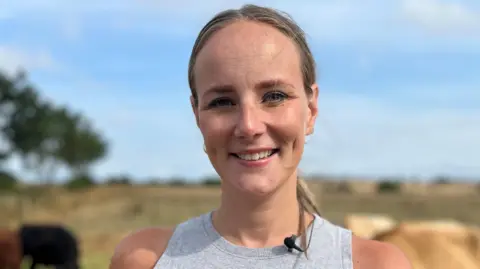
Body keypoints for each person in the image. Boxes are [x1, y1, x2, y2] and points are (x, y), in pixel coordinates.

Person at [109, 4, 412, 269]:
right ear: (197, 115)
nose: (249, 125)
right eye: (222, 102)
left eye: (275, 96)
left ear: (311, 109)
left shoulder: (375, 264)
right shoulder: (145, 259)